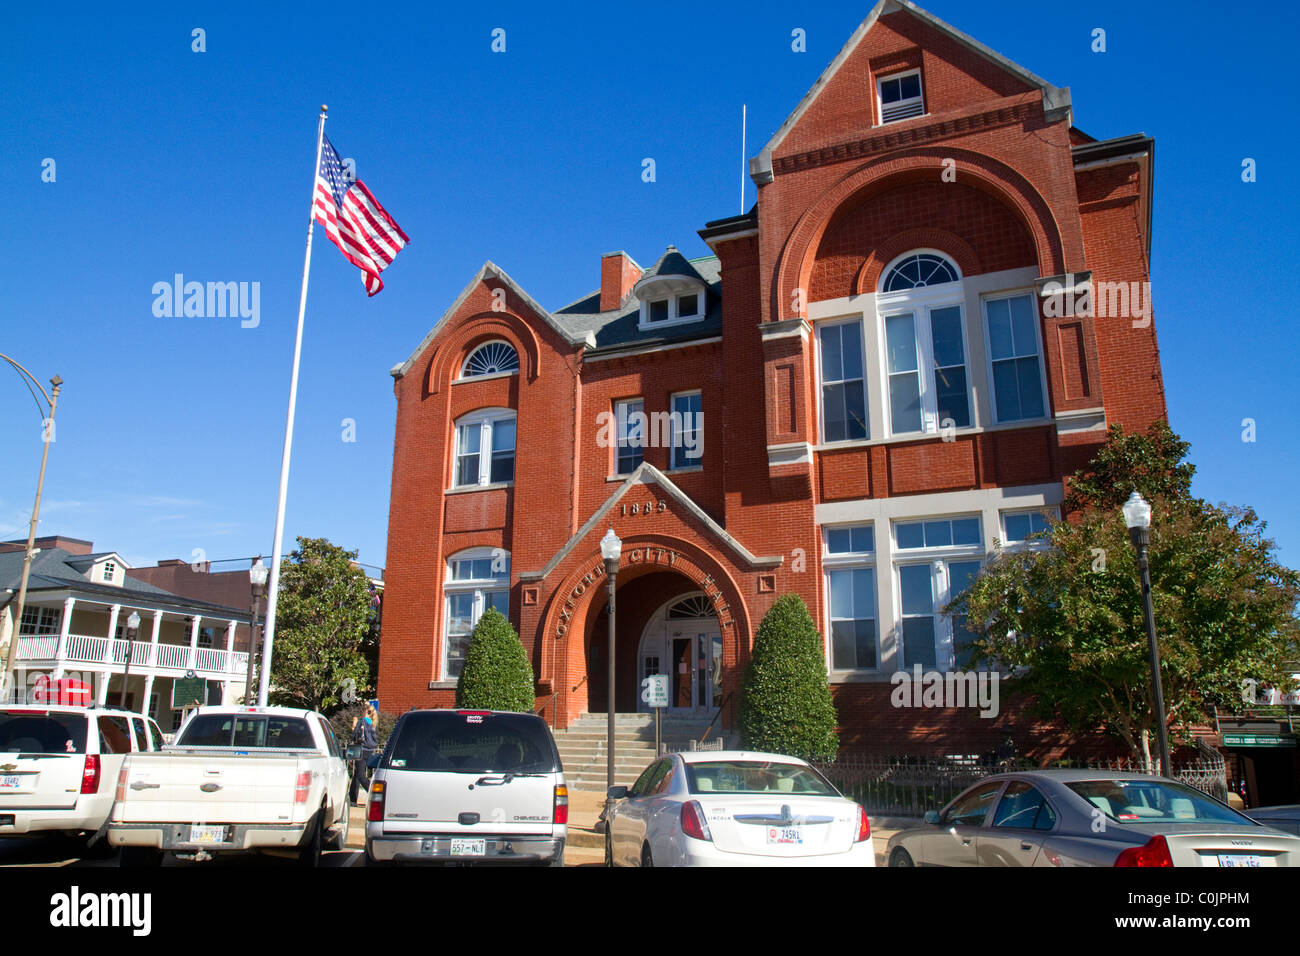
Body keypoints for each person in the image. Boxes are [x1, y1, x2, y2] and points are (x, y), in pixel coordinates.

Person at [350, 705, 378, 806]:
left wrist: (353, 726)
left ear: (365, 712)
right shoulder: (374, 723)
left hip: (361, 749)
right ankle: (352, 799)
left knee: (360, 775)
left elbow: (354, 735)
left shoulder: (362, 721)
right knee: (357, 774)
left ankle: (374, 793)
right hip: (370, 750)